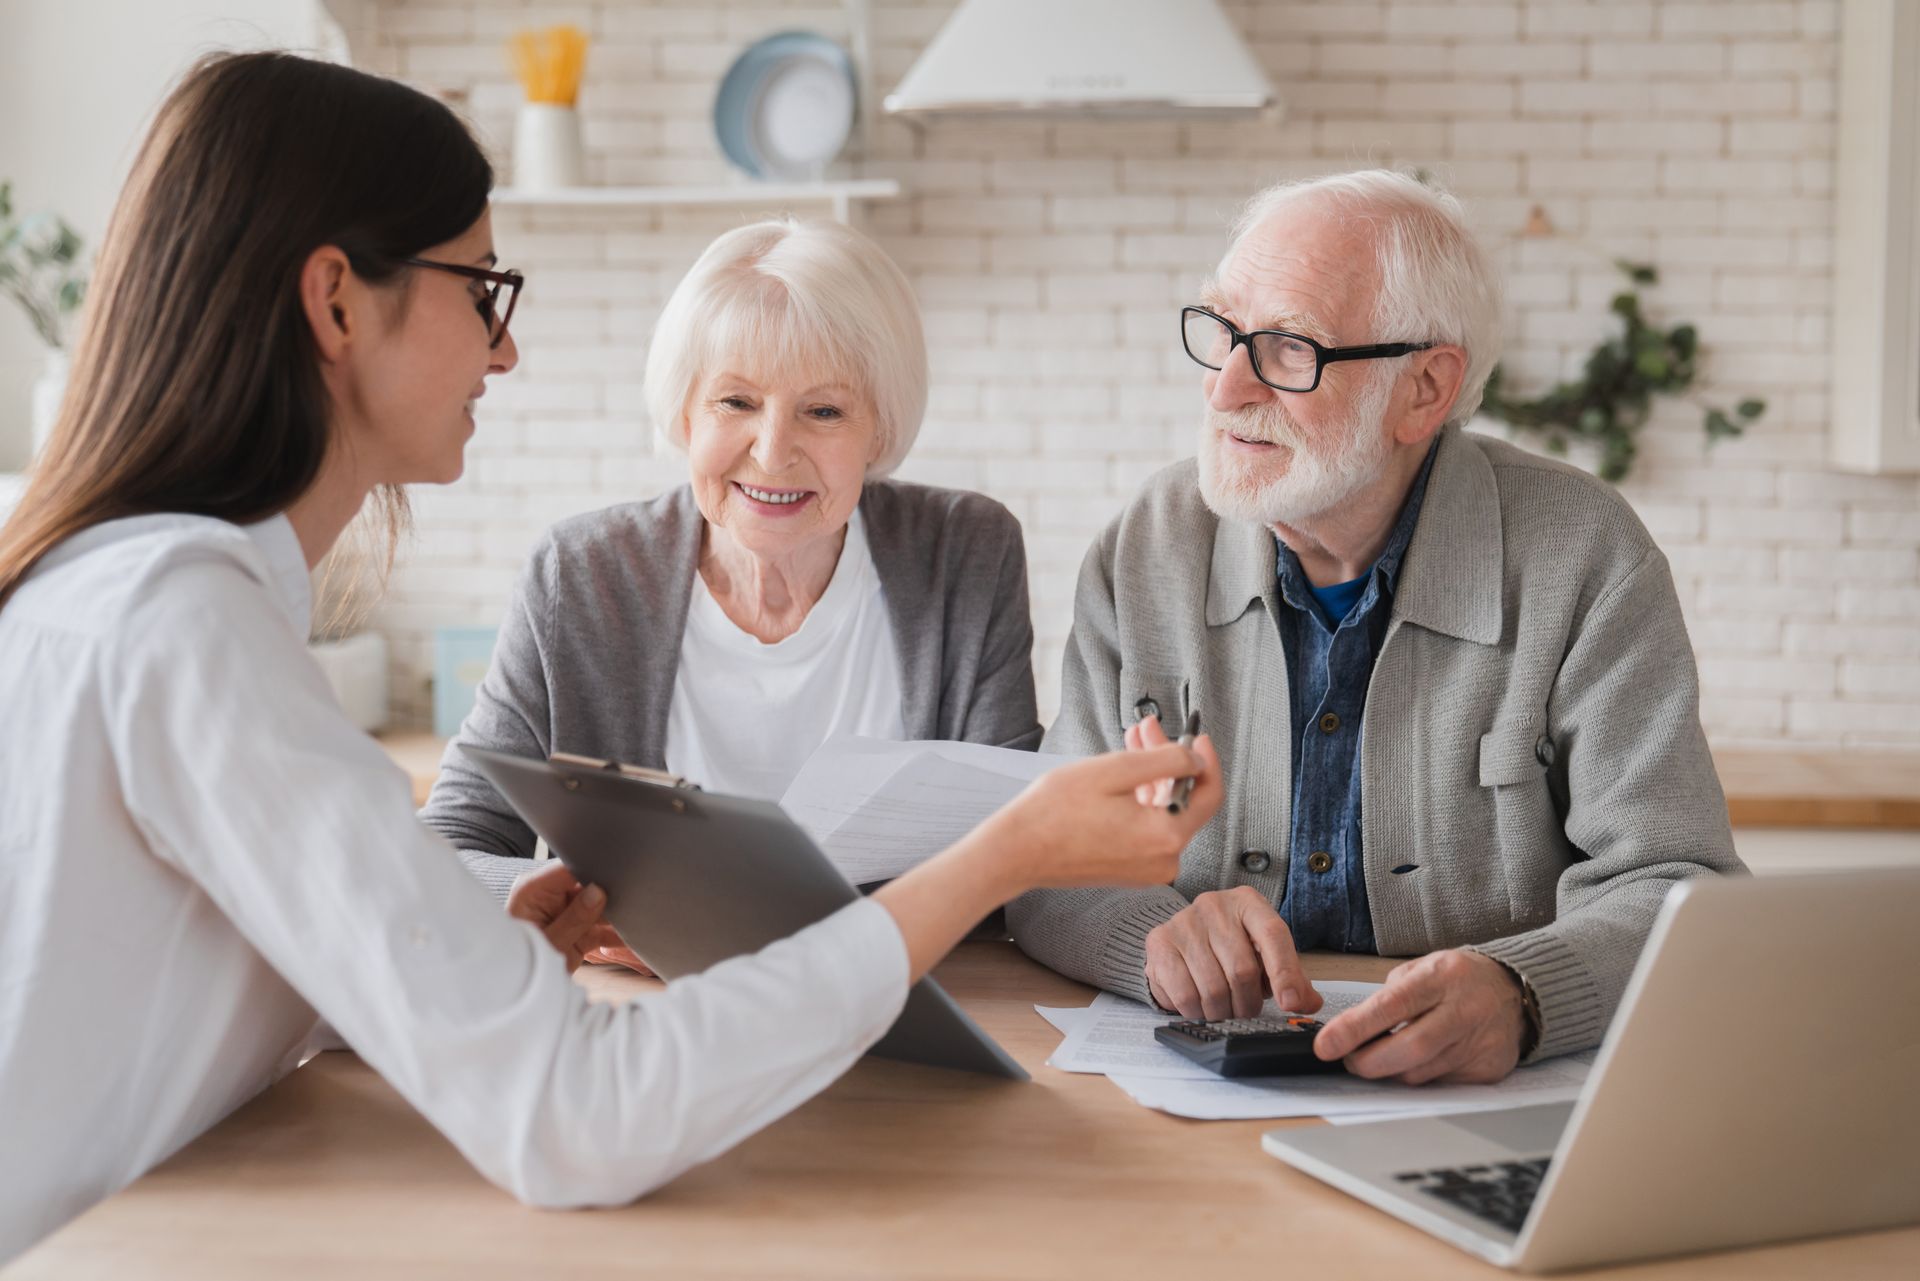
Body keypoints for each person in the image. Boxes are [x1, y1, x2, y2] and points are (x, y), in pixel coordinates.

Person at [0, 52, 1222, 1263]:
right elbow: (581, 1116)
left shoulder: (118, 594)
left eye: (824, 410)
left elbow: (231, 979)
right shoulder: (185, 628)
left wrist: (472, 942)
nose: (505, 349)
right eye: (482, 289)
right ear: (335, 303)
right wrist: (1007, 846)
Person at [1006, 169, 1744, 1086]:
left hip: (1482, 1096)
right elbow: (1040, 858)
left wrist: (1522, 992)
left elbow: (1679, 882)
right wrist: (1151, 936)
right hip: (1187, 1088)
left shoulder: (1586, 555)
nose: (1226, 388)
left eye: (1286, 348)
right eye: (1224, 332)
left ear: (1425, 389)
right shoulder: (1144, 546)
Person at [423, 218, 1042, 965]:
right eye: (736, 402)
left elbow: (1017, 851)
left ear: (880, 430)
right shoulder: (579, 575)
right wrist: (566, 904)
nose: (773, 452)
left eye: (824, 410)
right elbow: (455, 838)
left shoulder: (966, 554)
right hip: (640, 1017)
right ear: (685, 414)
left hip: (884, 1008)